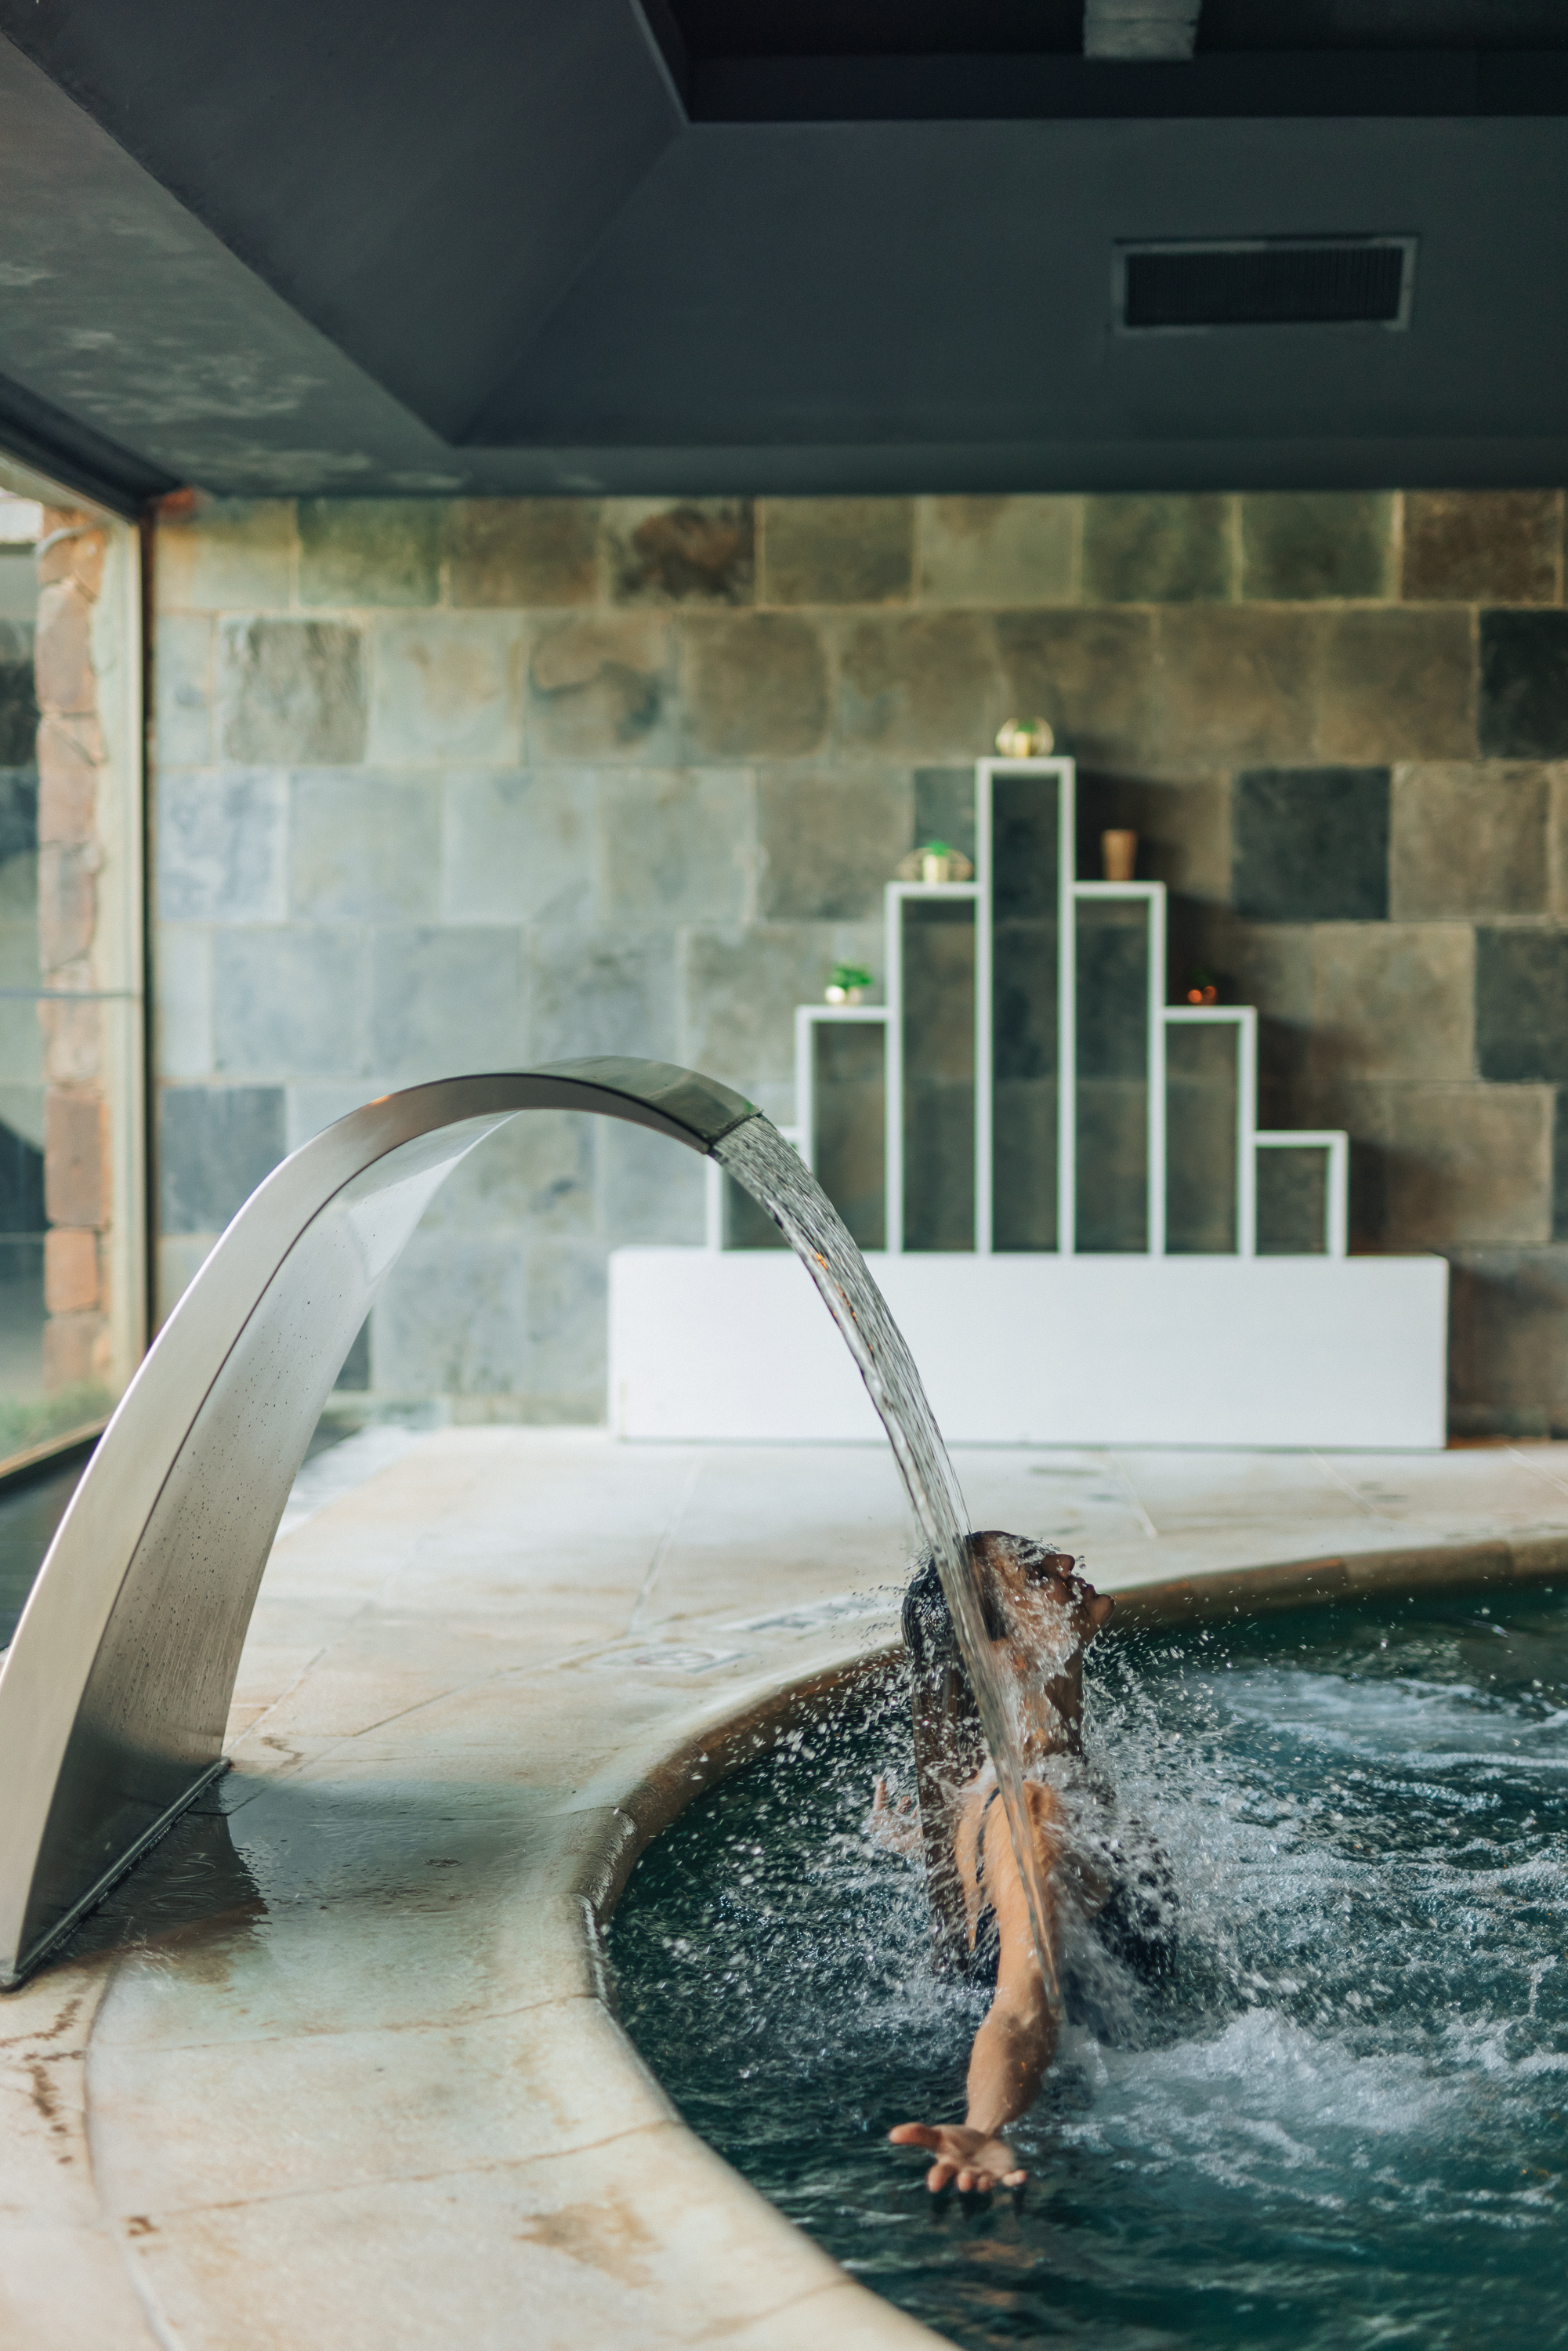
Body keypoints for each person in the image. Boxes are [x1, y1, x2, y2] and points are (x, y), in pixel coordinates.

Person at [872, 1531, 1163, 2195]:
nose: (1066, 1564)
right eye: (1035, 1573)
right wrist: (985, 2126)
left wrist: (927, 1839)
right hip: (1074, 2136)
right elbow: (1019, 2012)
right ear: (997, 1656)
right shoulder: (1032, 1809)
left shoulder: (1011, 1783)